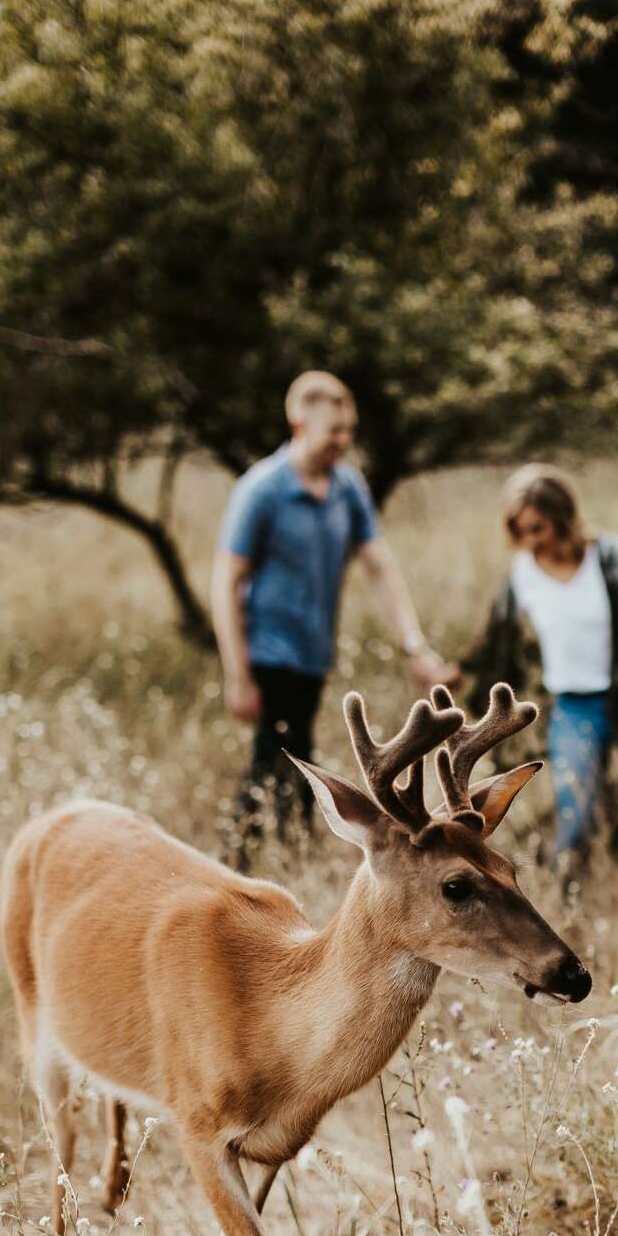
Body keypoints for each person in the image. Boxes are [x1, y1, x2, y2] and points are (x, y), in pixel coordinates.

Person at [212, 369, 452, 865]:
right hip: (268, 653)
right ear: (299, 424)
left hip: (313, 652)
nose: (343, 441)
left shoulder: (347, 487)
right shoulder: (262, 490)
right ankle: (265, 864)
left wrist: (414, 644)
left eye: (349, 431)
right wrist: (237, 673)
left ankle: (269, 861)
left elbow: (380, 566)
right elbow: (225, 582)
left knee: (284, 763)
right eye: (333, 432)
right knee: (283, 763)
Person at [462, 463, 618, 905]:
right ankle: (564, 903)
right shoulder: (523, 573)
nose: (531, 540)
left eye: (538, 528)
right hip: (575, 704)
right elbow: (492, 641)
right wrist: (454, 674)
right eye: (521, 532)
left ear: (562, 516)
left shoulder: (616, 559)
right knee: (575, 810)